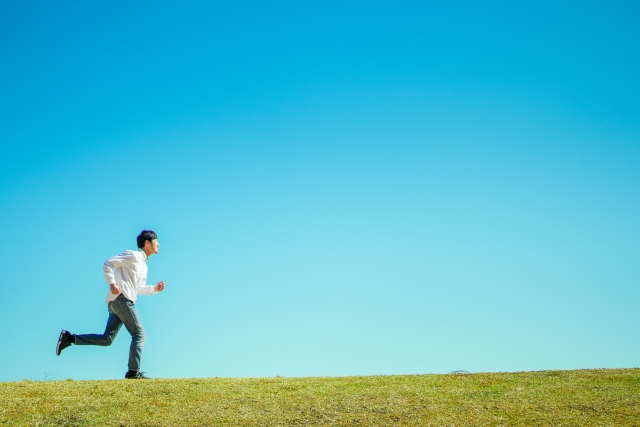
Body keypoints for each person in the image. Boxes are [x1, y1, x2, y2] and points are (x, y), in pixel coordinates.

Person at [56, 230, 165, 379]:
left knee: (107, 339)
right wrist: (112, 283)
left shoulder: (144, 266)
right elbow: (108, 263)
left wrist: (154, 289)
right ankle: (133, 372)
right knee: (139, 335)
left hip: (119, 302)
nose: (158, 244)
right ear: (147, 243)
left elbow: (138, 288)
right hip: (122, 299)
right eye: (156, 241)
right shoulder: (133, 255)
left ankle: (70, 338)